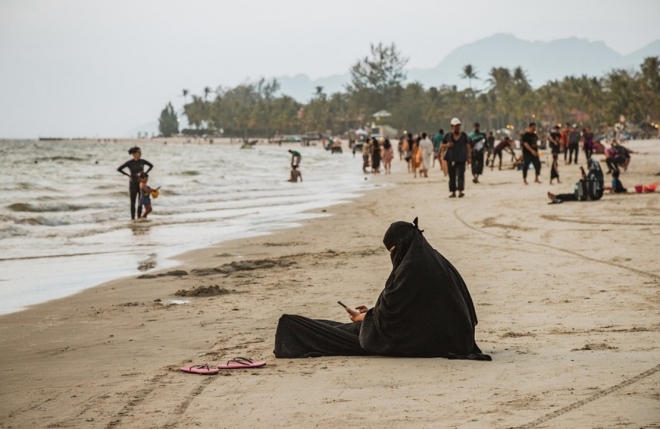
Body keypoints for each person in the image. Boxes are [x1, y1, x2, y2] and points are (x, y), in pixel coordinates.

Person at [273, 218, 491, 361]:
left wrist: (363, 319)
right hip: (449, 337)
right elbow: (412, 309)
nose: (392, 256)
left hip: (426, 341)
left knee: (337, 335)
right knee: (341, 330)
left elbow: (394, 319)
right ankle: (294, 328)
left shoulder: (411, 268)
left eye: (392, 250)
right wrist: (371, 314)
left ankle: (291, 329)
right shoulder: (433, 260)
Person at [117, 146, 153, 220]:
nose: (140, 154)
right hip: (133, 184)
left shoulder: (142, 161)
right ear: (134, 154)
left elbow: (151, 166)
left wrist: (145, 174)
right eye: (138, 152)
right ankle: (133, 219)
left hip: (141, 185)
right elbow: (119, 169)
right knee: (132, 202)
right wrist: (128, 175)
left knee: (140, 202)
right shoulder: (130, 163)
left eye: (140, 152)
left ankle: (139, 218)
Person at [441, 118, 472, 198]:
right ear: (452, 126)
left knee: (461, 174)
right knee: (452, 176)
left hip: (461, 158)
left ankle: (460, 191)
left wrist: (469, 157)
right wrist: (447, 145)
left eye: (458, 126)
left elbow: (468, 146)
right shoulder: (448, 136)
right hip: (450, 158)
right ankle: (453, 192)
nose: (457, 127)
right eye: (455, 126)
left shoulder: (464, 136)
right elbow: (441, 145)